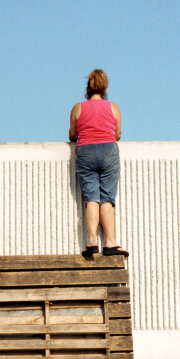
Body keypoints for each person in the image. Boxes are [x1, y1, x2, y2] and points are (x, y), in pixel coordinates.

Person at [69, 69, 128, 258]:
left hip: (85, 151)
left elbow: (72, 135)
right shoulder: (114, 107)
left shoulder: (78, 108)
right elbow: (117, 135)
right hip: (108, 152)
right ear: (104, 89)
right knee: (107, 197)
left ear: (87, 89)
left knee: (91, 198)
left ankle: (92, 241)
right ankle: (110, 242)